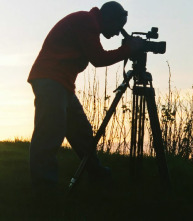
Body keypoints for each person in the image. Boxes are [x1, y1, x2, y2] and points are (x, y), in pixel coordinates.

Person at [27, 1, 140, 196]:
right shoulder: (86, 21)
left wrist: (128, 49)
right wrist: (129, 50)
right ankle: (44, 189)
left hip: (61, 84)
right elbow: (98, 58)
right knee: (50, 132)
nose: (117, 33)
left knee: (81, 131)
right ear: (109, 19)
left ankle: (97, 174)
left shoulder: (88, 23)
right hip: (51, 80)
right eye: (118, 27)